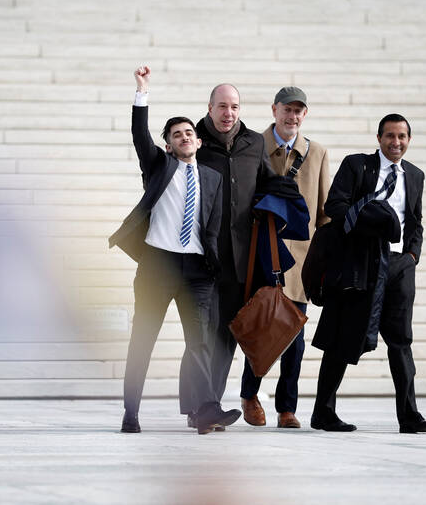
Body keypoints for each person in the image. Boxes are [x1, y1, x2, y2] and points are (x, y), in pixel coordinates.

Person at [108, 66, 241, 435]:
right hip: (156, 266)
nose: (184, 137)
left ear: (198, 142)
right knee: (143, 341)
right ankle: (131, 413)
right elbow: (139, 135)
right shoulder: (158, 166)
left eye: (189, 133)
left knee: (199, 344)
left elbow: (211, 228)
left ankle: (208, 410)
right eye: (177, 135)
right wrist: (142, 92)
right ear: (168, 144)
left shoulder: (212, 178)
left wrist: (214, 266)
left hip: (197, 272)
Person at [310, 114, 426, 434]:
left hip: (398, 265)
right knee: (342, 337)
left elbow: (416, 220)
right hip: (360, 262)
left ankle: (409, 416)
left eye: (402, 137)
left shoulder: (416, 175)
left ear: (409, 140)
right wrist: (371, 219)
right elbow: (334, 206)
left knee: (401, 341)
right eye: (390, 136)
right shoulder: (358, 165)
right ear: (379, 138)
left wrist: (412, 255)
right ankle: (323, 412)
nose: (396, 142)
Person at [179, 81, 287, 428]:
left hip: (240, 258)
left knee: (226, 335)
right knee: (200, 336)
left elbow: (267, 182)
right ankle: (199, 408)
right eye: (222, 106)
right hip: (200, 255)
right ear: (209, 108)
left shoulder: (254, 142)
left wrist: (288, 200)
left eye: (234, 107)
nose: (229, 113)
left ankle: (208, 408)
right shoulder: (194, 140)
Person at [238, 87, 330, 429]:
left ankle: (286, 408)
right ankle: (249, 395)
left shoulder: (317, 153)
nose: (292, 116)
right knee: (260, 329)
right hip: (259, 255)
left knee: (295, 338)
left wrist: (324, 263)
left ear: (304, 115)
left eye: (298, 111)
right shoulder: (251, 145)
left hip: (300, 263)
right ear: (274, 109)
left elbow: (325, 213)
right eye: (286, 110)